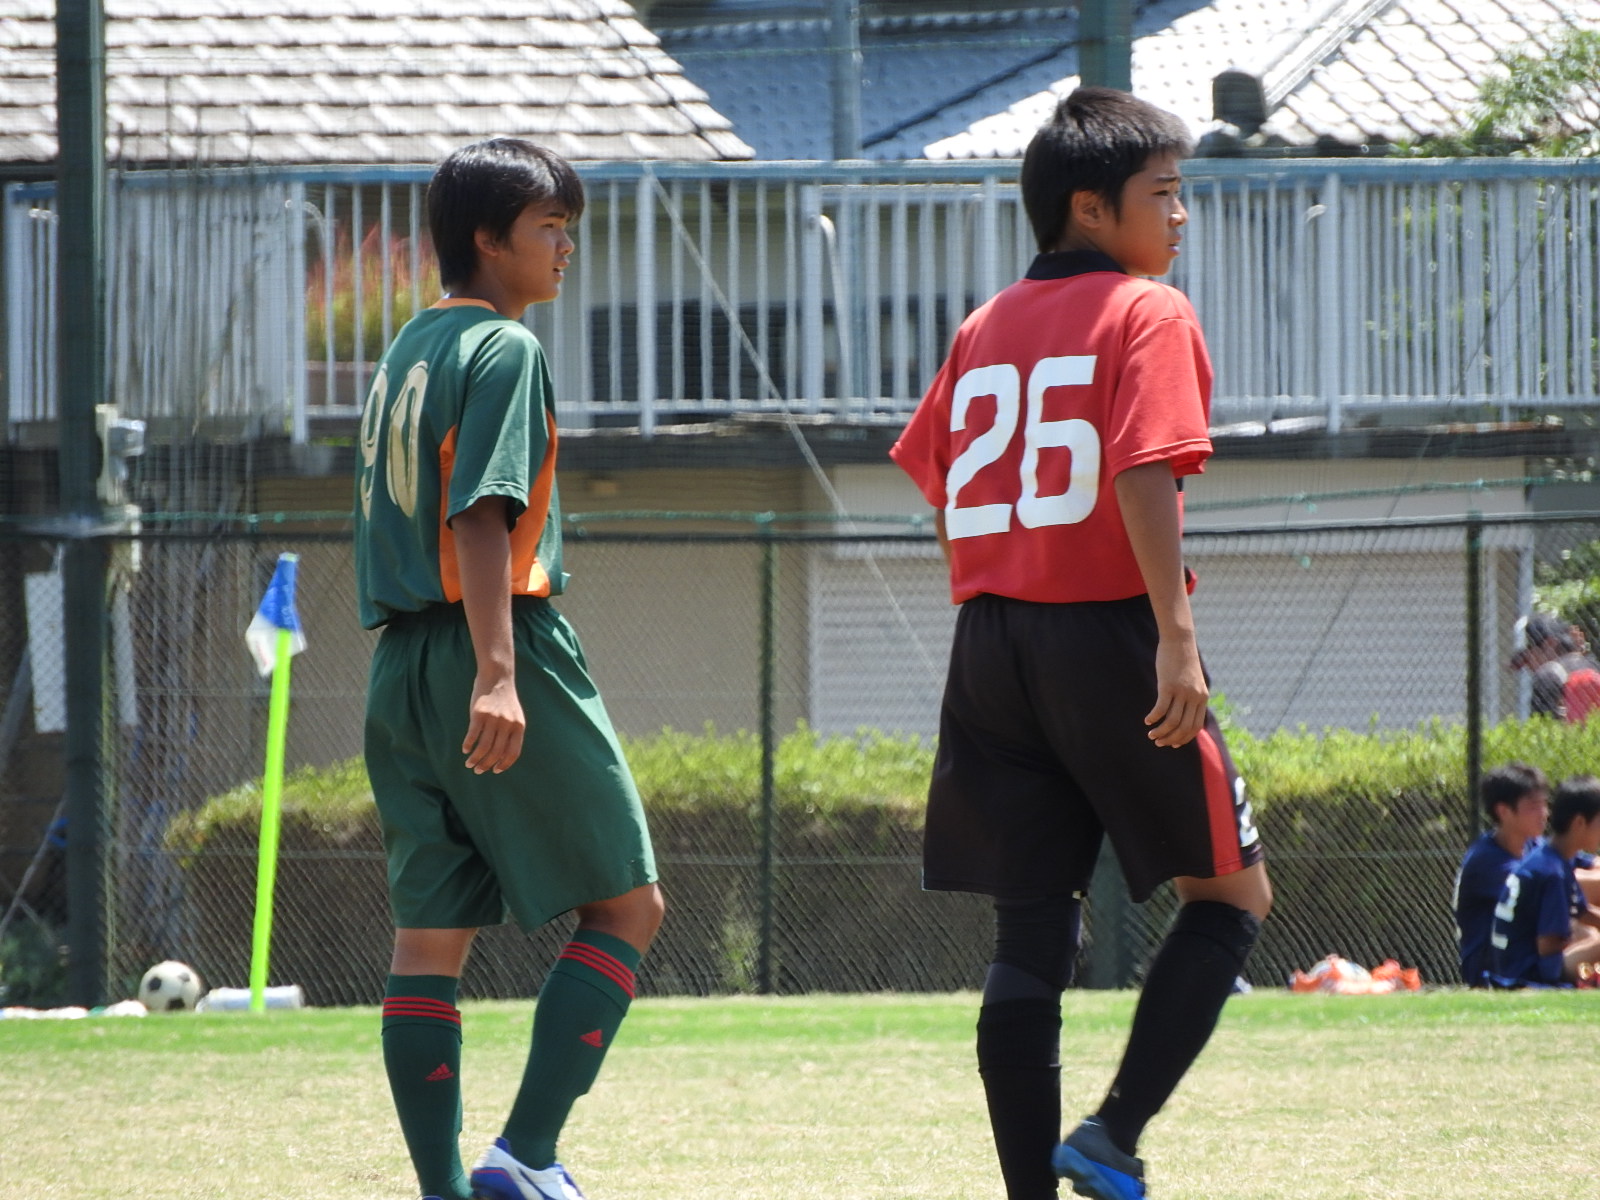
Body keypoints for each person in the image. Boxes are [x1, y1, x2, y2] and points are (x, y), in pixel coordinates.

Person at [889, 87, 1270, 1200]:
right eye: (1165, 193)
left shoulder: (984, 324)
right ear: (1091, 208)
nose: (1181, 214)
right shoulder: (1148, 310)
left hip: (989, 640)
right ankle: (1111, 1134)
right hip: (1107, 633)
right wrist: (1174, 637)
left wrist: (1004, 592)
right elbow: (1144, 468)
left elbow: (935, 476)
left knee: (1029, 931)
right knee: (1230, 896)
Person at [355, 138, 662, 1200]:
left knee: (429, 940)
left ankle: (443, 1189)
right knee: (628, 906)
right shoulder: (505, 348)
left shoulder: (405, 351)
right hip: (494, 641)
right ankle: (525, 1156)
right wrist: (498, 671)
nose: (566, 246)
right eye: (549, 227)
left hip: (399, 666)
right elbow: (480, 513)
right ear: (488, 239)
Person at [1489, 774, 1600, 988]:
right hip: (1527, 973)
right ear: (1579, 823)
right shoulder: (1552, 872)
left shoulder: (1551, 857)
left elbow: (1583, 912)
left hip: (1515, 965)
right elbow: (1547, 946)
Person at [1452, 763, 1549, 986]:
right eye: (1534, 807)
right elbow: (1556, 887)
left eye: (1545, 804)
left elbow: (1587, 865)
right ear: (1503, 811)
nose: (1544, 813)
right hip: (1493, 973)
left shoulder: (1536, 845)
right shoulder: (1487, 860)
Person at [1509, 612, 1600, 722]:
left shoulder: (1548, 675)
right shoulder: (1595, 667)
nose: (1529, 667)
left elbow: (1542, 728)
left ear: (1550, 644)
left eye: (1530, 653)